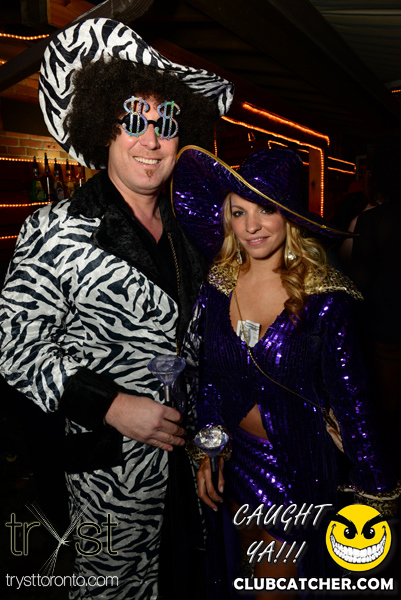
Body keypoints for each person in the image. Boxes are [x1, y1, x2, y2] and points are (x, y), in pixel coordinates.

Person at [0, 18, 233, 600]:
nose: (150, 141)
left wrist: (213, 444)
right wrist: (112, 405)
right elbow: (17, 352)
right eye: (133, 120)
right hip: (104, 480)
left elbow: (208, 351)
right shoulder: (55, 229)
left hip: (189, 476)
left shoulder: (195, 233)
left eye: (166, 124)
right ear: (104, 127)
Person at [172, 146, 399, 598]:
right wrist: (209, 452)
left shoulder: (325, 299)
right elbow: (211, 380)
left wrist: (375, 489)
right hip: (236, 464)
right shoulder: (218, 286)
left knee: (274, 586)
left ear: (290, 215)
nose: (251, 226)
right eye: (239, 212)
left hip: (296, 468)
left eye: (266, 209)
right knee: (243, 571)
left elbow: (353, 401)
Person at [350, 131, 401, 477]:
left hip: (385, 338)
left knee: (384, 420)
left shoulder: (372, 222)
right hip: (387, 335)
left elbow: (358, 288)